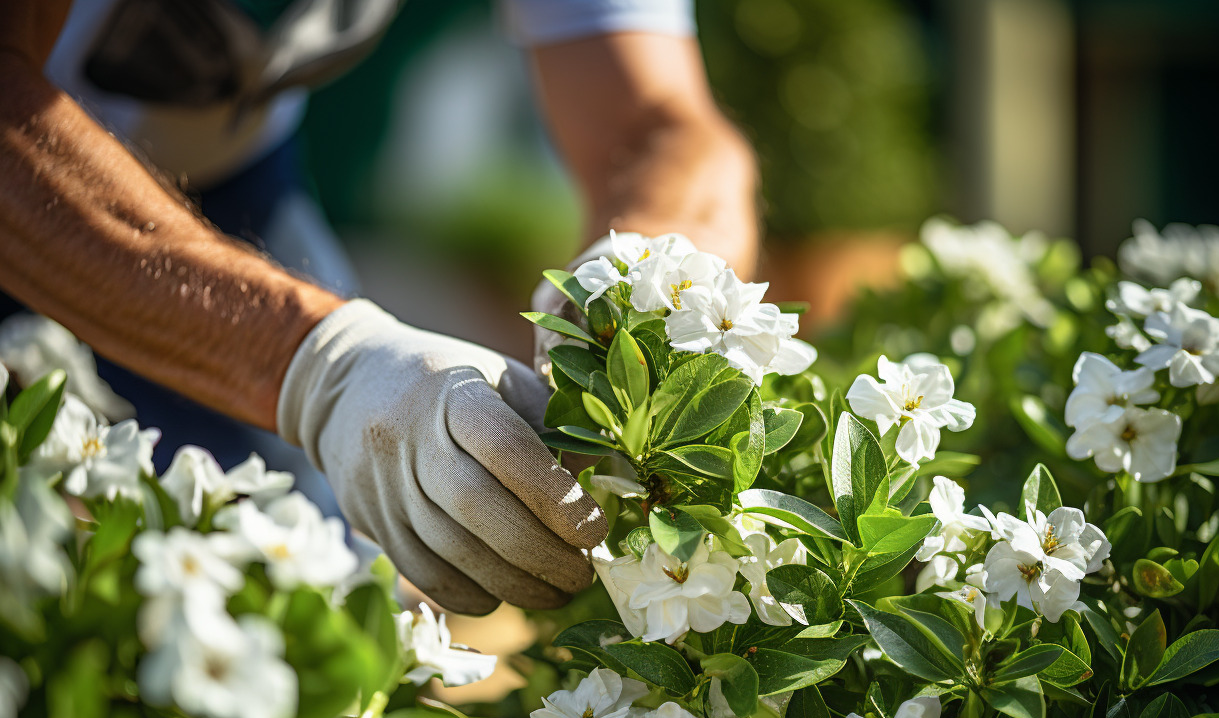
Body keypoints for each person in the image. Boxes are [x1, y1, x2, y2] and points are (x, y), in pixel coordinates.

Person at [0, 0, 759, 614]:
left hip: (227, 177)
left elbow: (657, 120)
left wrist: (648, 276)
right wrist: (308, 362)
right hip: (31, 178)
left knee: (318, 610)